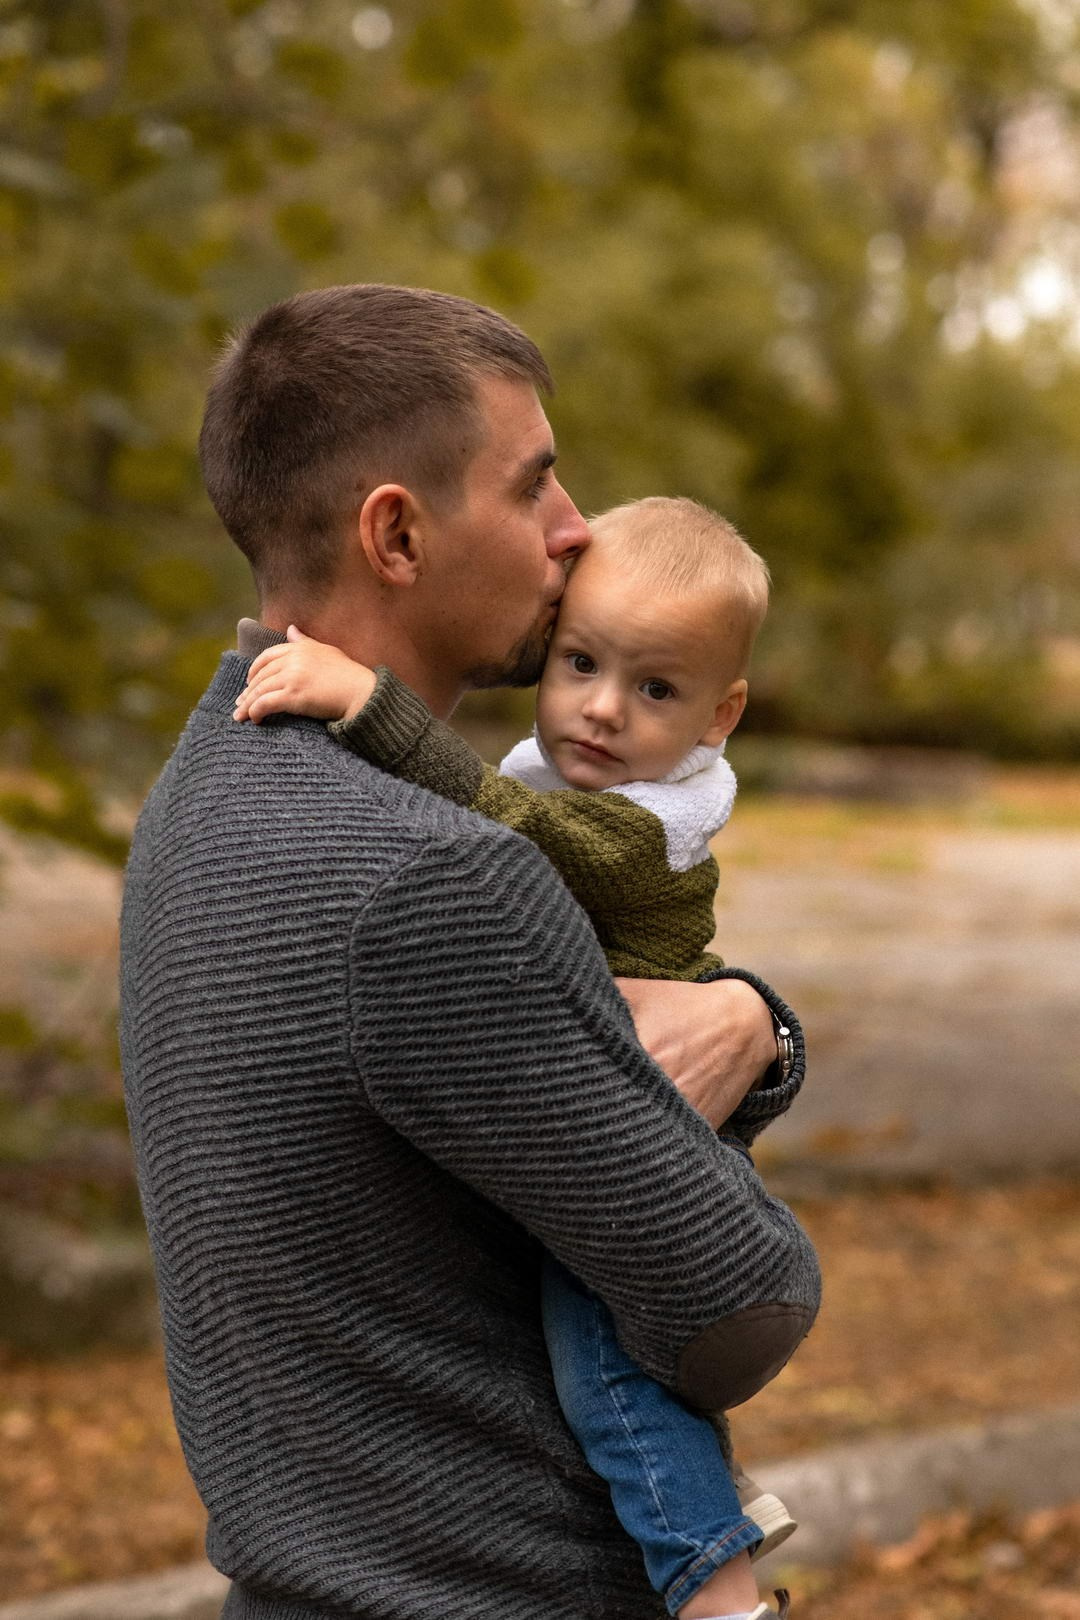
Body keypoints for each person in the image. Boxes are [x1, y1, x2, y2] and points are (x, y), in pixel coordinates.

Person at [119, 283, 821, 1620]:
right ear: (397, 533)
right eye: (535, 486)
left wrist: (753, 1021)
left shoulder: (202, 794)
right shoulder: (436, 880)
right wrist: (764, 1035)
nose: (576, 535)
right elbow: (741, 1300)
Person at [232, 494, 799, 1620]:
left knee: (605, 1366)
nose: (598, 710)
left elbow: (510, 824)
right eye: (580, 661)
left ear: (720, 714)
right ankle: (704, 1496)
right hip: (602, 1091)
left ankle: (718, 1586)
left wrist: (368, 704)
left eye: (655, 690)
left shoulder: (637, 830)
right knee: (614, 1358)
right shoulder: (580, 766)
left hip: (656, 1112)